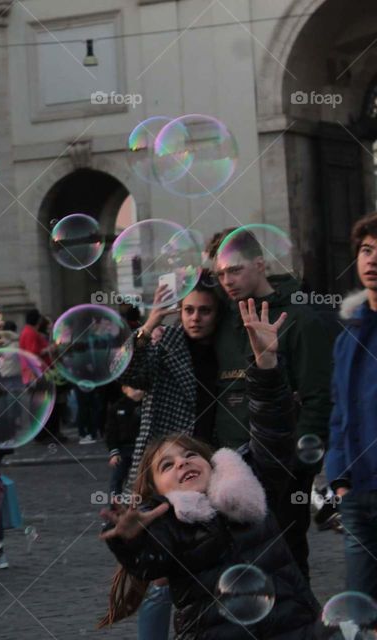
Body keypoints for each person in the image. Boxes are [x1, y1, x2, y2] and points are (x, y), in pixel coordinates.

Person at [99, 300, 321, 638]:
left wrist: (266, 365)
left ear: (210, 459)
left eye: (189, 455)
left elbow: (272, 430)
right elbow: (151, 561)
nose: (182, 462)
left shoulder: (250, 487)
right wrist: (129, 542)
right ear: (157, 489)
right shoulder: (169, 524)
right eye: (167, 465)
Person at [208, 227, 334, 580]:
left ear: (261, 265)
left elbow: (318, 398)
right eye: (220, 274)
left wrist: (300, 466)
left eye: (235, 270)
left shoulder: (302, 318)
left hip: (282, 468)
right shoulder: (222, 318)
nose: (227, 280)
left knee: (286, 564)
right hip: (230, 465)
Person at [116, 277, 222, 638]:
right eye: (188, 310)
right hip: (165, 472)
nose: (195, 318)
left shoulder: (229, 345)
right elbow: (130, 373)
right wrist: (149, 325)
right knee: (161, 575)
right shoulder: (167, 341)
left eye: (204, 310)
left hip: (213, 471)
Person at [327, 212, 377, 600]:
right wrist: (339, 478)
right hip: (357, 492)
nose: (372, 259)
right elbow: (340, 412)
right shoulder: (350, 331)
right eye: (366, 249)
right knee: (363, 608)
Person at [105, 384, 142, 498]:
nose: (139, 389)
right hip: (123, 449)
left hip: (142, 447)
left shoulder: (147, 407)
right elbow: (111, 432)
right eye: (134, 387)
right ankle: (115, 506)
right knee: (117, 479)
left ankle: (140, 503)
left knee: (141, 478)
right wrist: (113, 452)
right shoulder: (117, 407)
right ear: (124, 389)